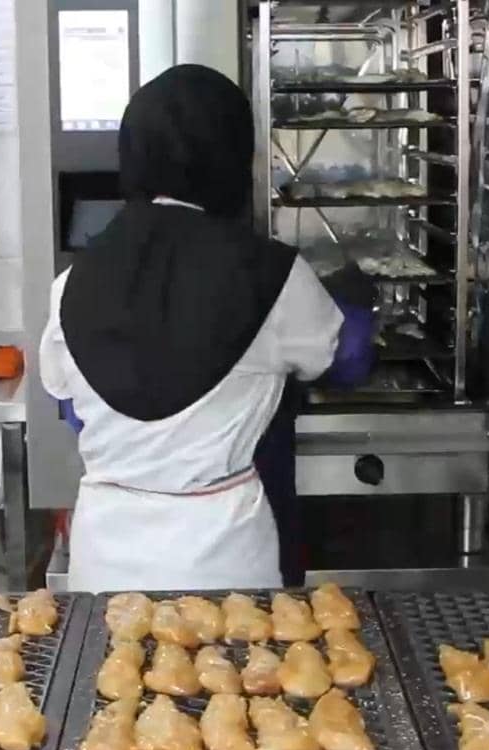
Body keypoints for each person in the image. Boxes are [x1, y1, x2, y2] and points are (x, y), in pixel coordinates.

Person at [38, 64, 373, 593]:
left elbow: (69, 407)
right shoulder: (273, 273)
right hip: (223, 556)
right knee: (237, 673)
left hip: (104, 556)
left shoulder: (70, 283)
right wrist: (356, 299)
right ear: (234, 159)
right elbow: (346, 361)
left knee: (107, 672)